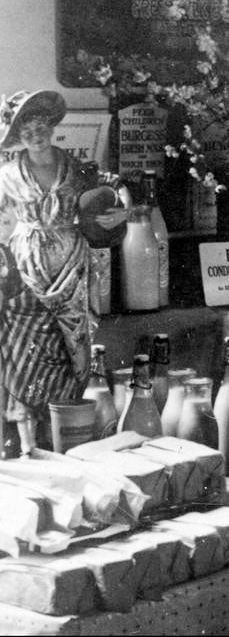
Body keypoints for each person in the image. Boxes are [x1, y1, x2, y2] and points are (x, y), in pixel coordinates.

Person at [0, 89, 125, 454]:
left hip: (72, 266)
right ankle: (26, 444)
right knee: (21, 348)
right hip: (25, 268)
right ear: (17, 136)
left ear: (52, 127)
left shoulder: (76, 167)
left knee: (71, 348)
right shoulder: (6, 175)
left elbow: (116, 187)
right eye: (26, 130)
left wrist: (121, 211)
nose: (35, 135)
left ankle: (63, 438)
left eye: (41, 126)